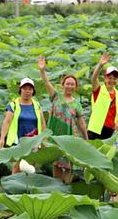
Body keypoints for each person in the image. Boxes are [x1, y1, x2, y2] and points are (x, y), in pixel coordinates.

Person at [37, 55, 88, 183]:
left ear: (75, 87)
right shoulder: (55, 96)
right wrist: (42, 70)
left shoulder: (77, 104)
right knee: (56, 164)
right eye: (67, 84)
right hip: (55, 135)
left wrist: (86, 138)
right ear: (62, 85)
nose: (69, 86)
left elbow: (81, 122)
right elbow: (46, 82)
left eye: (72, 84)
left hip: (70, 137)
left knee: (68, 166)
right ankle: (57, 189)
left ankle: (66, 190)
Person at [0, 77, 46, 173]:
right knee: (16, 166)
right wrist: (2, 138)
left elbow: (42, 123)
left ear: (33, 91)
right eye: (25, 88)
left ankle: (28, 187)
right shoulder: (13, 105)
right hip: (18, 140)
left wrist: (44, 140)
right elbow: (7, 122)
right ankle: (15, 186)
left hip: (33, 140)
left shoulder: (37, 105)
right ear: (20, 90)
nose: (27, 91)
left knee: (31, 167)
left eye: (30, 89)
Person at [88, 53, 118, 140]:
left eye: (114, 78)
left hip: (112, 131)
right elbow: (93, 78)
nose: (112, 80)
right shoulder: (99, 90)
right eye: (110, 78)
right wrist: (100, 65)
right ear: (105, 78)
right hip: (96, 130)